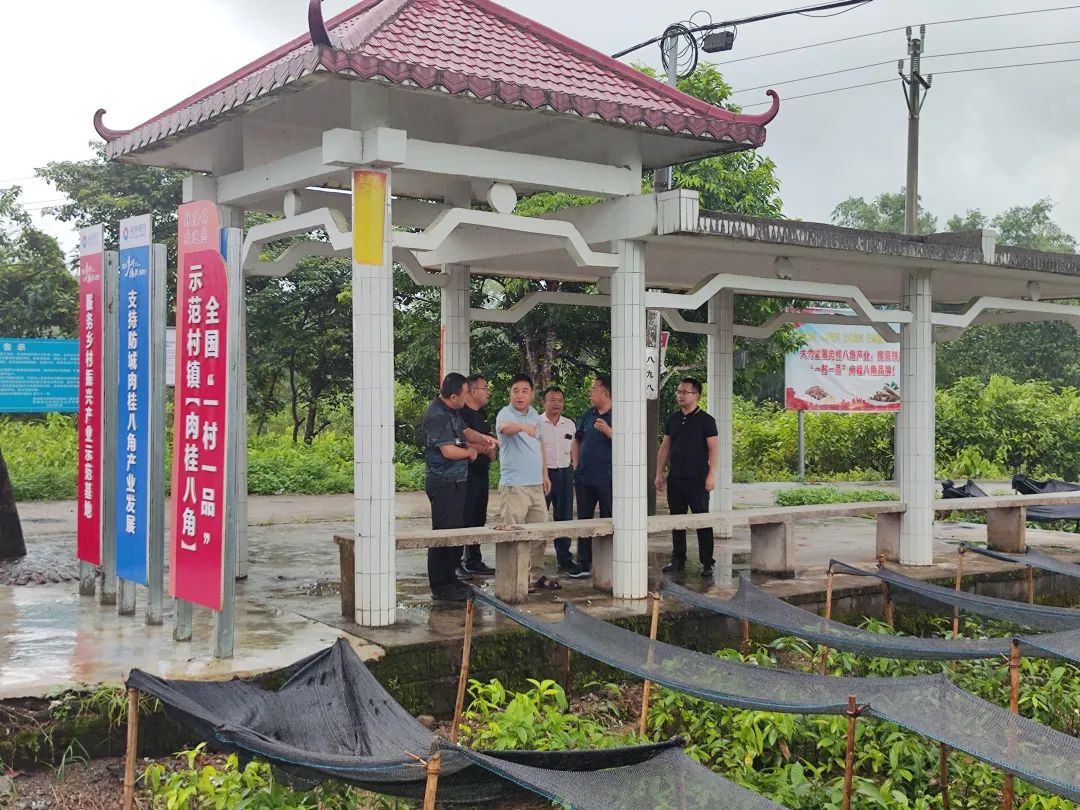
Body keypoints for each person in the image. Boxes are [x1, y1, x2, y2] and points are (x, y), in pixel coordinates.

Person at [421, 373, 496, 602]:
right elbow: (449, 451)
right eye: (465, 392)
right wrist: (472, 452)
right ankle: (440, 585)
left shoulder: (452, 410)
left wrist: (485, 439)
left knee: (456, 531)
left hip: (458, 481)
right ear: (453, 396)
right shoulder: (436, 415)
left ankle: (451, 577)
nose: (468, 395)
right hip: (443, 482)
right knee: (443, 535)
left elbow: (465, 432)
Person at [495, 374, 559, 591]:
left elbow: (540, 444)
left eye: (524, 390)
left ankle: (536, 577)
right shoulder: (505, 413)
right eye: (515, 390)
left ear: (531, 394)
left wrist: (545, 474)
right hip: (515, 487)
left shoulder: (533, 415)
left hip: (535, 485)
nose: (520, 394)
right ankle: (516, 579)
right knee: (515, 536)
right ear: (510, 394)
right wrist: (522, 428)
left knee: (540, 533)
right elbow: (504, 429)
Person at [655, 377, 718, 578]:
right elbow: (665, 447)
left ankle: (707, 561)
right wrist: (659, 473)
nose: (680, 395)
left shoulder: (706, 420)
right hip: (676, 478)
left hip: (698, 479)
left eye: (685, 392)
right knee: (677, 520)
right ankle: (678, 559)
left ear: (696, 396)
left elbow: (713, 450)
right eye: (679, 392)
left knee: (702, 519)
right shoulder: (673, 419)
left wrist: (711, 475)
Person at [539, 386, 586, 578]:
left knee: (564, 516)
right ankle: (535, 560)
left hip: (564, 474)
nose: (556, 404)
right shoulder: (537, 424)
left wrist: (576, 468)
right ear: (544, 402)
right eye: (552, 400)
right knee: (539, 518)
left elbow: (575, 449)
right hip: (543, 474)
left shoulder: (570, 425)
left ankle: (564, 557)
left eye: (560, 400)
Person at [573, 374, 613, 574]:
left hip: (607, 478)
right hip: (584, 477)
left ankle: (608, 561)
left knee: (609, 518)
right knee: (584, 520)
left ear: (606, 393)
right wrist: (576, 466)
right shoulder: (588, 414)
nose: (590, 392)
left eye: (594, 388)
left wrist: (609, 431)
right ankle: (583, 563)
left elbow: (629, 444)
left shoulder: (618, 414)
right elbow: (577, 439)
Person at [458, 373, 497, 579]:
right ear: (472, 391)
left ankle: (474, 559)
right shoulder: (460, 415)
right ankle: (457, 562)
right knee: (463, 516)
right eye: (485, 387)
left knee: (478, 516)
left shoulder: (482, 414)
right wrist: (483, 447)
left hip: (482, 473)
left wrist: (490, 450)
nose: (488, 391)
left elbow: (488, 441)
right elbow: (459, 442)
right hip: (464, 475)